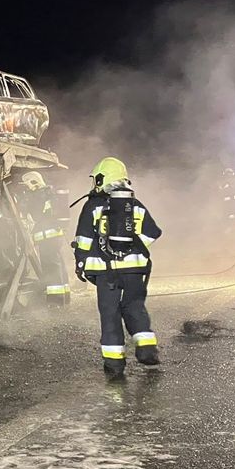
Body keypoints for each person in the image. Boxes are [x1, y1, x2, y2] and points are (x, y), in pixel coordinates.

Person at [73, 157, 162, 379]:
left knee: (110, 314)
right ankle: (147, 350)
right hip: (135, 271)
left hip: (106, 273)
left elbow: (83, 239)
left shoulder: (93, 206)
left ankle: (114, 364)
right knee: (135, 307)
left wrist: (81, 263)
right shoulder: (135, 205)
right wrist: (133, 249)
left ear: (101, 179)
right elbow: (153, 232)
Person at [19, 171, 71, 305]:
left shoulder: (39, 195)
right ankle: (65, 297)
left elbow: (36, 214)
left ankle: (55, 301)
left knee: (50, 267)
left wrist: (24, 202)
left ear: (34, 182)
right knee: (58, 264)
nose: (26, 188)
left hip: (47, 237)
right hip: (55, 236)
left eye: (27, 184)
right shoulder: (48, 193)